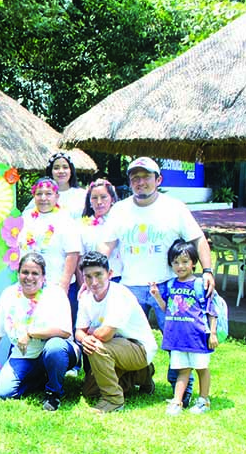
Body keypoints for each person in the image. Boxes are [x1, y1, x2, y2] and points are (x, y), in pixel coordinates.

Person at [98, 156, 214, 406]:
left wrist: (207, 271)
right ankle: (136, 380)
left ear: (158, 179)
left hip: (169, 285)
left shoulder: (174, 207)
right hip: (130, 285)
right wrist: (95, 274)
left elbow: (198, 239)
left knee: (177, 340)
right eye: (135, 178)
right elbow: (106, 245)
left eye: (145, 177)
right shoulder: (119, 210)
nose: (140, 182)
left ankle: (181, 391)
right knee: (127, 339)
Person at [0, 253, 79, 411]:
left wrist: (30, 333)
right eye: (25, 272)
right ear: (18, 274)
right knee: (2, 391)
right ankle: (40, 379)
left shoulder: (55, 293)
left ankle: (53, 393)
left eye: (35, 273)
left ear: (43, 277)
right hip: (23, 355)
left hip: (56, 350)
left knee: (55, 348)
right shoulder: (9, 294)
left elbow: (64, 331)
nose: (29, 277)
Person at [76, 251, 157, 414]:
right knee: (90, 391)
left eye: (98, 275)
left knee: (96, 347)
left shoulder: (120, 294)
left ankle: (113, 400)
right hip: (114, 348)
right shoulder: (86, 298)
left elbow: (105, 335)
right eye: (88, 277)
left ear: (110, 274)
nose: (94, 282)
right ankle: (142, 375)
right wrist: (84, 339)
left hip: (138, 348)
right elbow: (79, 331)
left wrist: (88, 336)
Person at [150, 240, 218, 415]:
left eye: (185, 261)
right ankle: (177, 401)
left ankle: (203, 400)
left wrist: (212, 333)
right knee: (183, 370)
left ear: (193, 263)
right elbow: (167, 309)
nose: (180, 266)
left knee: (202, 369)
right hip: (177, 338)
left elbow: (211, 311)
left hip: (197, 337)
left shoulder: (200, 284)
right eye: (176, 262)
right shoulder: (171, 285)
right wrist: (157, 296)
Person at [16, 177, 81, 292]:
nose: (43, 198)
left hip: (56, 283)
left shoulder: (65, 219)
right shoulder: (26, 217)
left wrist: (64, 284)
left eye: (48, 194)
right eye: (39, 194)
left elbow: (72, 253)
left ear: (57, 196)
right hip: (29, 283)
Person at [78, 178, 123, 281]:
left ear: (112, 199)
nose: (99, 202)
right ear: (89, 201)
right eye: (94, 198)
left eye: (103, 197)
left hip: (117, 277)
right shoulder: (82, 226)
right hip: (92, 279)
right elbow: (80, 257)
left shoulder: (120, 221)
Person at [24, 152, 87, 218]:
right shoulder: (42, 196)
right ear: (51, 172)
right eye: (56, 168)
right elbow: (26, 216)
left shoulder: (83, 195)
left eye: (65, 167)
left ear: (71, 171)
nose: (61, 171)